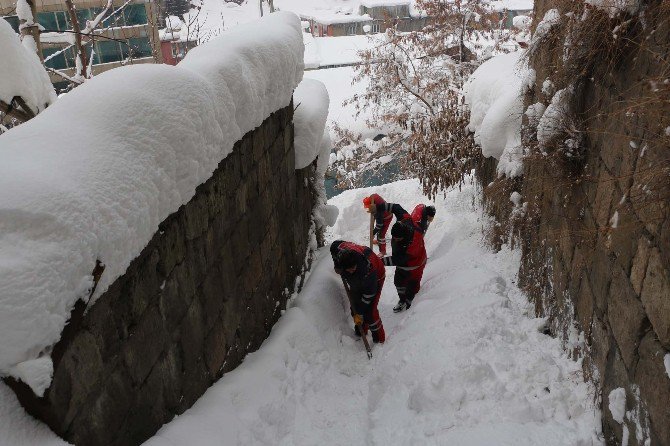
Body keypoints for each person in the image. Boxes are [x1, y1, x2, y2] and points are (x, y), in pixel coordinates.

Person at [373, 202, 435, 312]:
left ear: (404, 237)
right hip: (403, 265)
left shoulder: (413, 244)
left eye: (397, 239)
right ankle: (402, 300)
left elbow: (397, 260)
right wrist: (378, 207)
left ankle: (411, 303)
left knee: (412, 287)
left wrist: (379, 261)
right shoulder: (405, 220)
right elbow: (395, 207)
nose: (394, 240)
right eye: (394, 237)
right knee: (398, 282)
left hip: (415, 265)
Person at [330, 240, 386, 343]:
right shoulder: (340, 253)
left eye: (353, 269)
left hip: (377, 276)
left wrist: (360, 310)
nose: (351, 271)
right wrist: (337, 266)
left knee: (369, 311)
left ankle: (379, 339)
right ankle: (362, 329)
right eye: (348, 270)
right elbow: (334, 245)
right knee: (355, 307)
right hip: (357, 281)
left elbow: (369, 294)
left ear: (356, 263)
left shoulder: (367, 270)